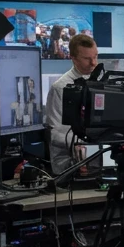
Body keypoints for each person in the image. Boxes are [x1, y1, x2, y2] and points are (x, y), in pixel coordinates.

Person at [44, 33, 100, 177]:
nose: (94, 63)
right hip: (68, 162)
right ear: (73, 59)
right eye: (87, 58)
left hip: (97, 155)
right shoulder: (60, 88)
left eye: (95, 56)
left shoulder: (100, 83)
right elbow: (56, 134)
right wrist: (87, 149)